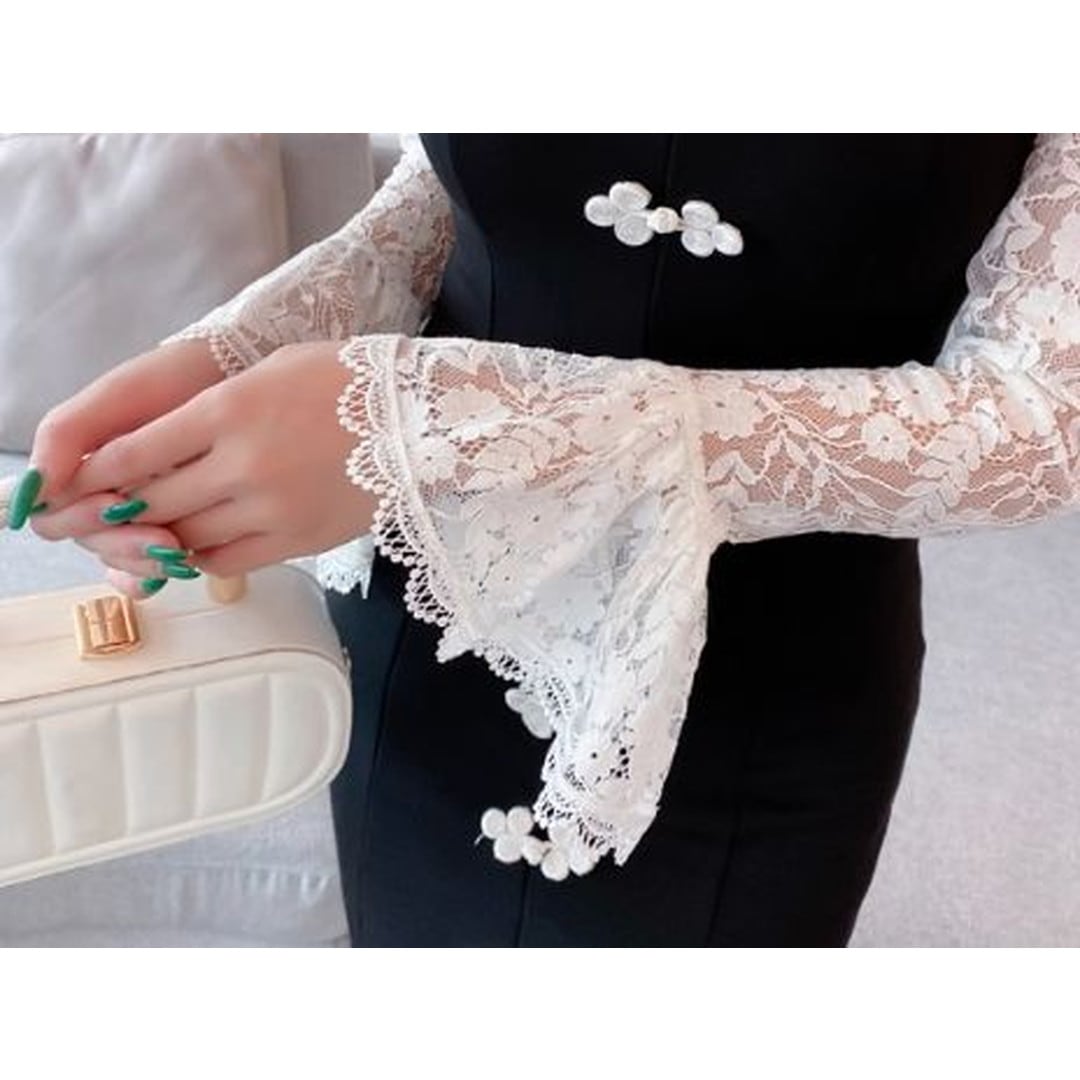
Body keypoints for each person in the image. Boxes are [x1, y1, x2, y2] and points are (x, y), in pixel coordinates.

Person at [10, 134, 1079, 946]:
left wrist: (422, 420)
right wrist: (242, 344)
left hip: (751, 684)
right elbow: (446, 196)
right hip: (430, 626)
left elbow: (1038, 421)